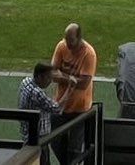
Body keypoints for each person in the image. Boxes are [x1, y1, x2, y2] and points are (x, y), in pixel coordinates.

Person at [51, 23, 97, 165]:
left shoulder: (89, 54)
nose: (68, 44)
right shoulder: (61, 46)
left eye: (71, 40)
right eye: (66, 39)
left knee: (74, 149)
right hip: (61, 105)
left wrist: (63, 76)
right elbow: (52, 74)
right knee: (53, 139)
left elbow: (84, 84)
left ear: (79, 38)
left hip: (80, 109)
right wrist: (70, 79)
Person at [17, 61, 65, 158]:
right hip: (39, 138)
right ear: (39, 76)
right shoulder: (37, 93)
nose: (50, 81)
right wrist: (70, 89)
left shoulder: (26, 81)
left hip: (27, 134)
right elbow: (57, 109)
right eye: (48, 78)